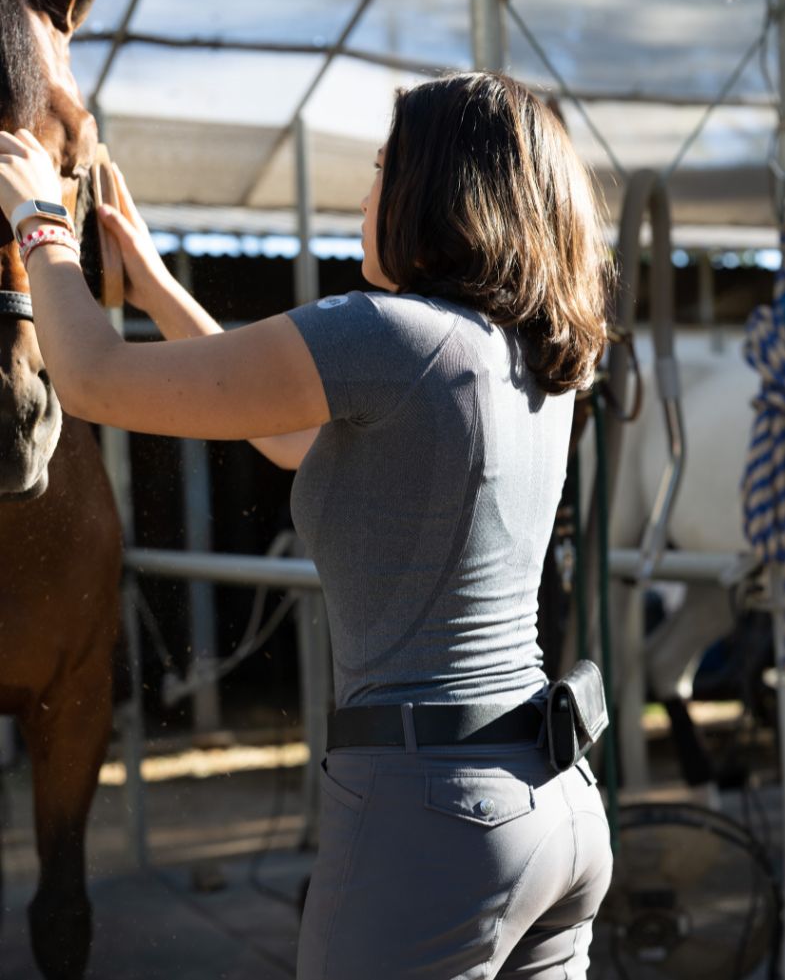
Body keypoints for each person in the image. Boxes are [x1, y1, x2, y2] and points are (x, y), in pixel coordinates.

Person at [0, 72, 613, 979]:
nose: (366, 196)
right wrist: (157, 279)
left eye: (380, 170)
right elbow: (291, 430)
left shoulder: (385, 334)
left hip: (432, 823)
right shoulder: (513, 349)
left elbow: (89, 380)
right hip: (554, 802)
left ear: (436, 191)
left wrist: (39, 222)